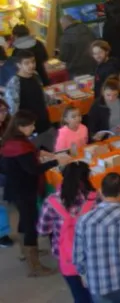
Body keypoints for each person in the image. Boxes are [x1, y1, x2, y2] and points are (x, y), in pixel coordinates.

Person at [1, 111, 67, 276]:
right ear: (21, 127)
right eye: (31, 125)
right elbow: (33, 169)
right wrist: (56, 161)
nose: (34, 128)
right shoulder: (19, 146)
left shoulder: (13, 141)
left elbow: (26, 157)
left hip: (16, 188)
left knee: (24, 220)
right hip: (23, 190)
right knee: (30, 224)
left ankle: (27, 252)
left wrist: (38, 153)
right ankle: (35, 266)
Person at [73, 173, 120, 303]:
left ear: (100, 191)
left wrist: (84, 275)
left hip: (97, 283)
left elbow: (78, 257)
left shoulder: (84, 220)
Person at [38, 161, 99, 302]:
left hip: (67, 257)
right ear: (87, 177)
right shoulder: (96, 199)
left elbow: (43, 230)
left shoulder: (52, 202)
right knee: (97, 293)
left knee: (79, 294)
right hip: (93, 254)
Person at [5, 51, 53, 137]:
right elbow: (13, 111)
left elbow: (41, 95)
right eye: (26, 63)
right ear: (19, 65)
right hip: (28, 128)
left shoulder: (35, 75)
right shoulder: (15, 83)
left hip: (44, 122)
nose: (31, 65)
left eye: (33, 61)